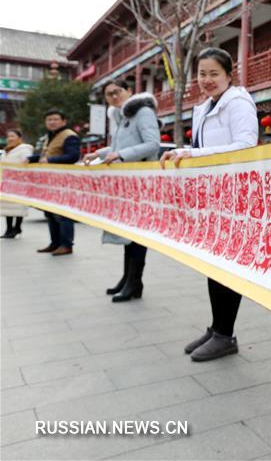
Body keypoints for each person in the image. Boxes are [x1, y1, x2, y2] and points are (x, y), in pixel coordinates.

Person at [160, 47, 259, 362]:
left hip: (235, 198)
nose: (206, 80)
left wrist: (192, 155)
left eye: (214, 73)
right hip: (211, 197)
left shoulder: (239, 103)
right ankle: (216, 327)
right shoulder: (203, 108)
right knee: (213, 264)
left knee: (227, 266)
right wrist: (182, 153)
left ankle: (225, 335)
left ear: (230, 75)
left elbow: (245, 146)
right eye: (202, 74)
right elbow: (199, 148)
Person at [83, 80, 160, 302]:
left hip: (141, 184)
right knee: (129, 234)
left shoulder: (143, 111)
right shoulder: (120, 116)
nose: (114, 97)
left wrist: (121, 155)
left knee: (138, 235)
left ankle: (134, 281)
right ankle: (128, 278)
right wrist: (98, 153)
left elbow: (153, 144)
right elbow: (118, 149)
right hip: (127, 185)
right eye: (109, 95)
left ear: (129, 91)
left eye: (118, 92)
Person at [28, 109, 81, 256]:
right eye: (49, 119)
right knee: (50, 214)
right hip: (50, 182)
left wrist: (50, 160)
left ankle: (66, 245)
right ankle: (55, 243)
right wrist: (31, 158)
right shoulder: (51, 136)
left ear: (63, 121)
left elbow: (73, 156)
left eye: (55, 119)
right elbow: (48, 154)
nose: (52, 122)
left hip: (64, 182)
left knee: (63, 214)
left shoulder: (70, 136)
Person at [0, 129, 35, 238]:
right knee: (7, 207)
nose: (10, 138)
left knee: (19, 206)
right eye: (8, 136)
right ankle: (9, 229)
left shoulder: (24, 149)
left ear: (19, 138)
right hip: (7, 183)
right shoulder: (6, 151)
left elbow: (26, 162)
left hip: (19, 182)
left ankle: (17, 227)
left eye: (13, 136)